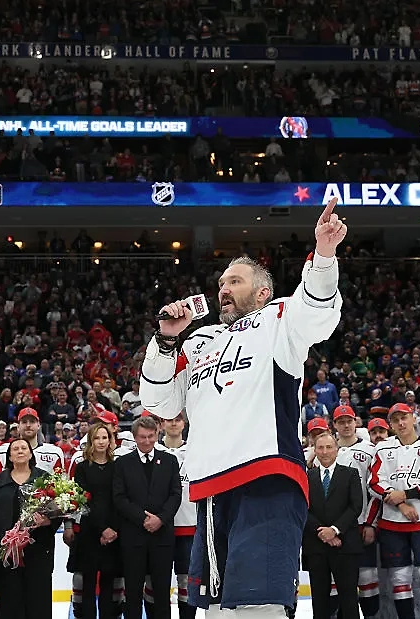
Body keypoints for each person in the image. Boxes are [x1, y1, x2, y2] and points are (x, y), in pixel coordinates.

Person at [142, 198, 346, 618]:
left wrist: (324, 256)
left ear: (262, 292)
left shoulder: (278, 320)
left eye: (234, 281)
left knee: (259, 606)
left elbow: (318, 313)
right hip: (211, 489)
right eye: (221, 282)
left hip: (267, 477)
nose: (223, 289)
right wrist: (166, 340)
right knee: (216, 610)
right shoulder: (197, 342)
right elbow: (158, 402)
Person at [368, 403, 420, 619]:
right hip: (392, 522)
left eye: (404, 418)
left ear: (414, 418)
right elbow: (374, 483)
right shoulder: (382, 449)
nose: (401, 423)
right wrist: (400, 503)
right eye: (395, 420)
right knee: (400, 578)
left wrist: (406, 494)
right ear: (391, 425)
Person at [113, 416, 182, 619]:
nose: (147, 441)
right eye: (142, 437)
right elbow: (119, 498)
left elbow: (175, 494)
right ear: (134, 437)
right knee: (133, 593)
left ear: (157, 434)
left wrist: (160, 519)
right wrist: (143, 519)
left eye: (151, 436)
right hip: (133, 537)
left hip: (162, 537)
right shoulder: (123, 463)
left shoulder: (170, 461)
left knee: (161, 592)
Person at [0, 437, 57, 619]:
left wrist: (48, 521)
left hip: (38, 551)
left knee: (38, 602)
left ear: (31, 454)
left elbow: (59, 510)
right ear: (9, 457)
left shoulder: (43, 479)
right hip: (5, 555)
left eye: (24, 448)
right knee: (8, 602)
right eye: (15, 449)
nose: (20, 451)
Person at [304, 432, 364, 619]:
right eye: (320, 447)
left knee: (349, 600)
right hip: (316, 546)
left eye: (329, 447)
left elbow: (355, 506)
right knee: (319, 601)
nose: (325, 452)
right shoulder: (306, 477)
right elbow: (303, 508)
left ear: (337, 450)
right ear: (314, 450)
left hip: (345, 545)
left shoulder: (350, 474)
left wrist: (335, 530)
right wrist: (322, 533)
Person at [66, 422, 121, 619]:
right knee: (88, 583)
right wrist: (102, 529)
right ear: (90, 441)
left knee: (108, 582)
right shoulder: (82, 468)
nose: (101, 441)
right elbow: (85, 501)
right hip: (90, 532)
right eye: (97, 438)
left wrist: (112, 529)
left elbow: (119, 499)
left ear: (110, 440)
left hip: (113, 533)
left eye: (104, 437)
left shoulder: (117, 467)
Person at [332, 405, 380, 619]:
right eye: (341, 422)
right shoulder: (328, 449)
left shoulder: (370, 450)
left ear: (355, 422)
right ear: (335, 425)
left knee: (367, 576)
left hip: (361, 523)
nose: (346, 425)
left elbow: (375, 490)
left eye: (349, 421)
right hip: (335, 525)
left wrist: (370, 523)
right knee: (341, 579)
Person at [157, 412, 196, 619]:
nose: (173, 423)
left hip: (189, 527)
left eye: (178, 419)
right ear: (161, 423)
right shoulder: (153, 450)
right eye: (169, 419)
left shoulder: (195, 451)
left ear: (184, 423)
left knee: (186, 581)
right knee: (156, 581)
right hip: (159, 527)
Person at [0, 408, 66, 475]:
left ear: (38, 426)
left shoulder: (54, 453)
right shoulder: (1, 452)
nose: (28, 425)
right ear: (18, 427)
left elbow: (60, 483)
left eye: (32, 421)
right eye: (24, 422)